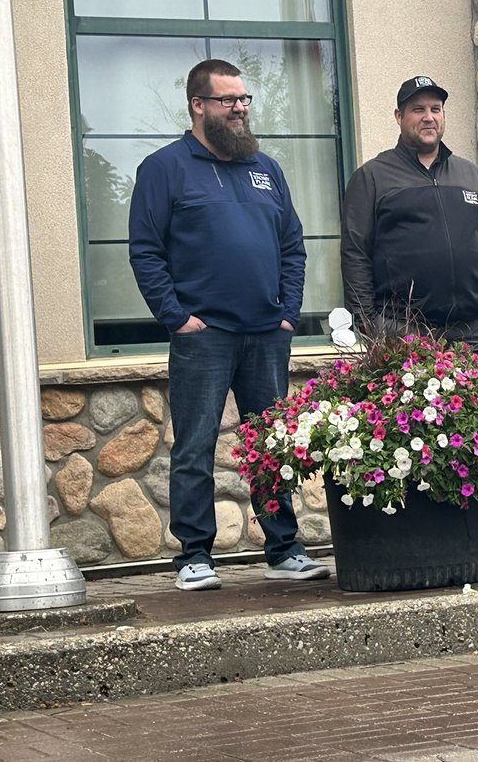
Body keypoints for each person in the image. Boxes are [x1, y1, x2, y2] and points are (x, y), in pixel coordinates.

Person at [129, 59, 329, 590]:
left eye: (244, 99)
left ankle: (283, 548)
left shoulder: (266, 168)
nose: (240, 108)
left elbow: (292, 246)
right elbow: (146, 252)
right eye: (228, 100)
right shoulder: (165, 168)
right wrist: (177, 318)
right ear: (198, 105)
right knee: (194, 446)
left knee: (270, 444)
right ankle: (194, 556)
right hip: (205, 336)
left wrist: (288, 312)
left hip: (266, 333)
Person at [340, 76, 478, 564]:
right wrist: (372, 325)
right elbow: (356, 255)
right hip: (405, 331)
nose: (429, 117)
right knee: (419, 436)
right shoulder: (374, 177)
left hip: (475, 328)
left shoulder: (468, 176)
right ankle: (421, 540)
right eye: (418, 109)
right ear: (400, 118)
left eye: (436, 109)